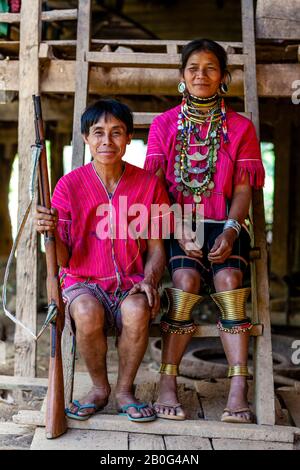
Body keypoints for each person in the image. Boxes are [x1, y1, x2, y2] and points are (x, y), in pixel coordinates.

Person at [144, 39, 265, 423]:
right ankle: (167, 382)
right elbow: (155, 185)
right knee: (184, 283)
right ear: (182, 77)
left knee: (230, 281)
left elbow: (244, 186)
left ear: (224, 77)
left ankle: (237, 387)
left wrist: (231, 231)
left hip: (225, 223)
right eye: (193, 68)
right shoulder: (164, 125)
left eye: (210, 68)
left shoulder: (240, 127)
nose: (201, 74)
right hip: (180, 224)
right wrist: (179, 227)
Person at [35, 98, 171, 422]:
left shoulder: (150, 185)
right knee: (84, 311)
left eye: (116, 132)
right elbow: (64, 260)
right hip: (83, 282)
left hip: (130, 282)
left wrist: (149, 281)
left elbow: (156, 249)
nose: (106, 141)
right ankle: (99, 389)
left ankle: (124, 390)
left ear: (128, 138)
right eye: (98, 133)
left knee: (138, 310)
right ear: (85, 138)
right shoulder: (68, 186)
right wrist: (49, 235)